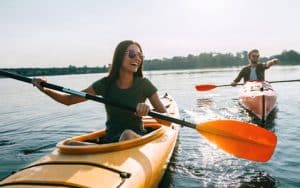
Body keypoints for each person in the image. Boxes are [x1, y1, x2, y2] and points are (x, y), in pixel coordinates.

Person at [32, 40, 167, 143]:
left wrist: (148, 111)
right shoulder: (104, 84)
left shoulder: (144, 84)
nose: (137, 58)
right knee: (70, 144)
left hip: (135, 138)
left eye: (140, 55)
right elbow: (68, 100)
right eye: (132, 54)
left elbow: (167, 122)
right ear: (119, 57)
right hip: (110, 140)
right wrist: (44, 88)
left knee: (126, 134)